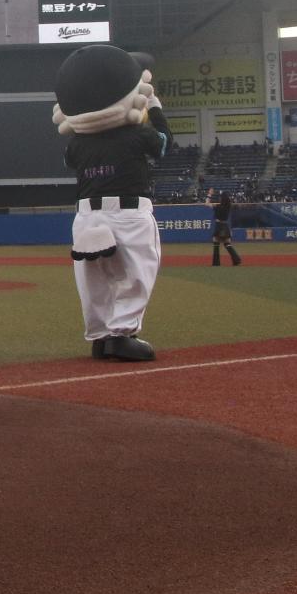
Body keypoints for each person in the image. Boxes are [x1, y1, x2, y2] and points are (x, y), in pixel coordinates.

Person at [54, 45, 169, 361]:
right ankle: (121, 335)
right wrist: (154, 107)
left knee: (94, 278)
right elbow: (162, 144)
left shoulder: (77, 143)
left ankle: (100, 336)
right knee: (135, 272)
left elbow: (69, 160)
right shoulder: (135, 133)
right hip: (128, 213)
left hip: (88, 216)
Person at [209, 189, 242, 266]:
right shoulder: (228, 206)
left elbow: (207, 203)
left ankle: (216, 263)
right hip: (225, 225)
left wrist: (209, 194)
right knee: (227, 243)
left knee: (216, 242)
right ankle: (237, 260)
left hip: (219, 225)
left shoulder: (218, 206)